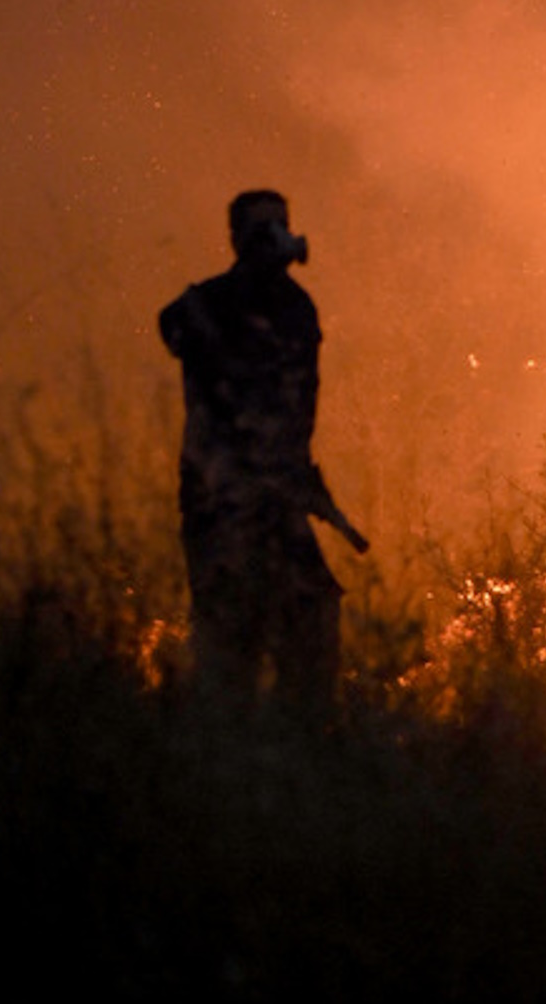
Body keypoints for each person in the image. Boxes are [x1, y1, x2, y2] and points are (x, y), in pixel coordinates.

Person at [158, 188, 369, 709]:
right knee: (231, 636)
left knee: (313, 614)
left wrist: (305, 484)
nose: (274, 238)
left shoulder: (297, 309)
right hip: (222, 502)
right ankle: (223, 745)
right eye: (260, 229)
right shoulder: (205, 306)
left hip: (280, 497)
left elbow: (295, 417)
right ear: (236, 240)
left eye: (280, 224)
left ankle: (299, 739)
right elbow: (176, 329)